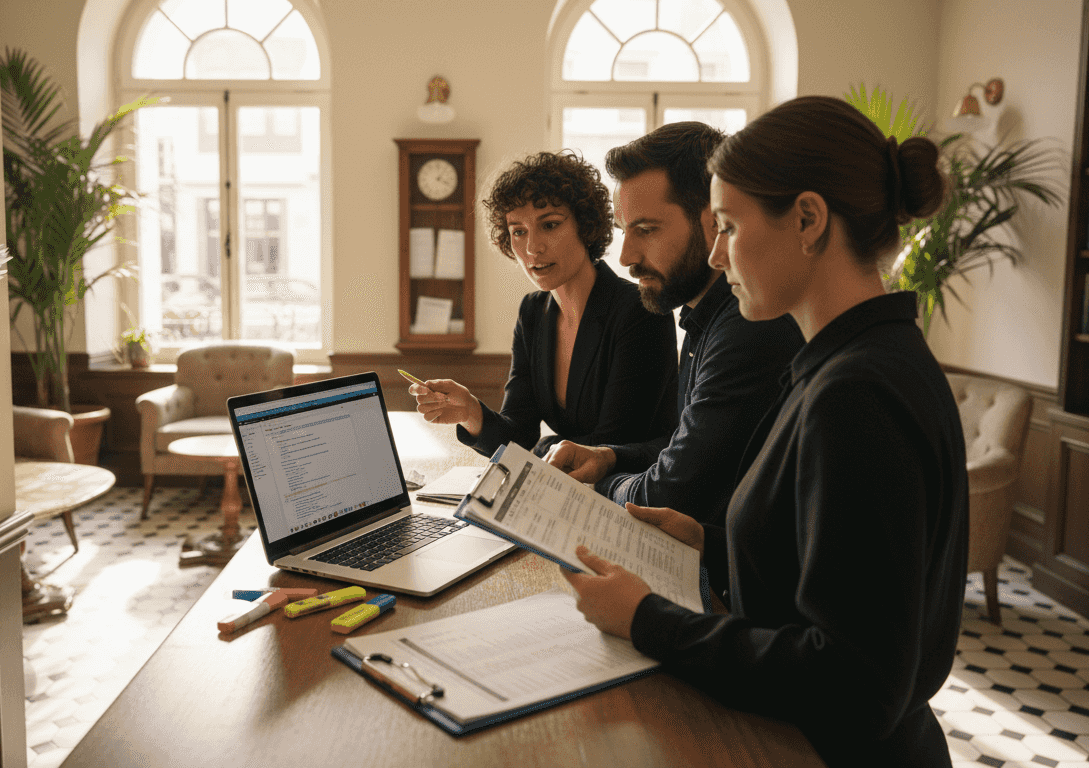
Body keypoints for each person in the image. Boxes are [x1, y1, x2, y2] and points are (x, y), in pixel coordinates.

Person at [563, 96, 969, 767]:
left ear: (807, 219)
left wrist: (646, 619)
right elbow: (841, 570)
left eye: (727, 226)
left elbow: (855, 681)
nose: (718, 256)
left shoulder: (856, 392)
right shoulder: (859, 359)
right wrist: (711, 544)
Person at [545, 123, 803, 524]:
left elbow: (670, 493)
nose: (626, 257)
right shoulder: (708, 319)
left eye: (646, 230)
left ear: (712, 221)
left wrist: (598, 487)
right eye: (623, 232)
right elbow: (684, 448)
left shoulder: (748, 327)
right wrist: (608, 458)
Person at [409, 150, 679, 458]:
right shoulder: (533, 312)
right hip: (567, 488)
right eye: (518, 232)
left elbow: (613, 445)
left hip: (632, 494)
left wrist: (545, 447)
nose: (532, 248)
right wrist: (472, 413)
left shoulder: (638, 310)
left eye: (549, 225)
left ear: (586, 225)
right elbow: (519, 432)